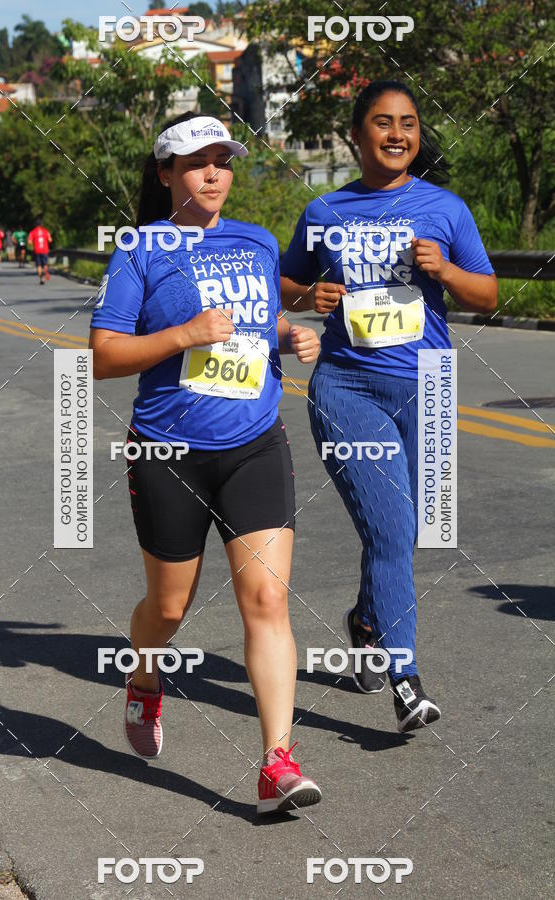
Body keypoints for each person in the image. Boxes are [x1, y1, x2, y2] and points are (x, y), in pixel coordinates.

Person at [89, 112, 323, 814]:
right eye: (196, 162)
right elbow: (103, 357)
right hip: (170, 453)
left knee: (268, 600)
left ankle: (277, 761)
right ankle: (144, 678)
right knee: (168, 607)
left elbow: (254, 323)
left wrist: (290, 333)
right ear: (166, 173)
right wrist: (184, 333)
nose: (214, 173)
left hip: (255, 444)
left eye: (223, 160)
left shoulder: (256, 242)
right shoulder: (139, 248)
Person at [280, 80, 498, 733]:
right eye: (382, 122)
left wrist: (446, 272)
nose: (397, 133)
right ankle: (405, 680)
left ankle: (366, 621)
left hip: (429, 384)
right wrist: (310, 296)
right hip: (347, 387)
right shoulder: (325, 209)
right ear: (356, 135)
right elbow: (285, 283)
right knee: (393, 531)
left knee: (409, 529)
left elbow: (487, 295)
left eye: (408, 122)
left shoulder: (445, 209)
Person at [27, 218, 52, 284]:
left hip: (37, 250)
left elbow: (29, 242)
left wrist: (34, 242)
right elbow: (50, 240)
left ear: (35, 225)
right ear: (41, 224)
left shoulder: (32, 232)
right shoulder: (46, 231)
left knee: (38, 265)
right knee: (45, 264)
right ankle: (45, 272)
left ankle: (41, 279)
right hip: (45, 250)